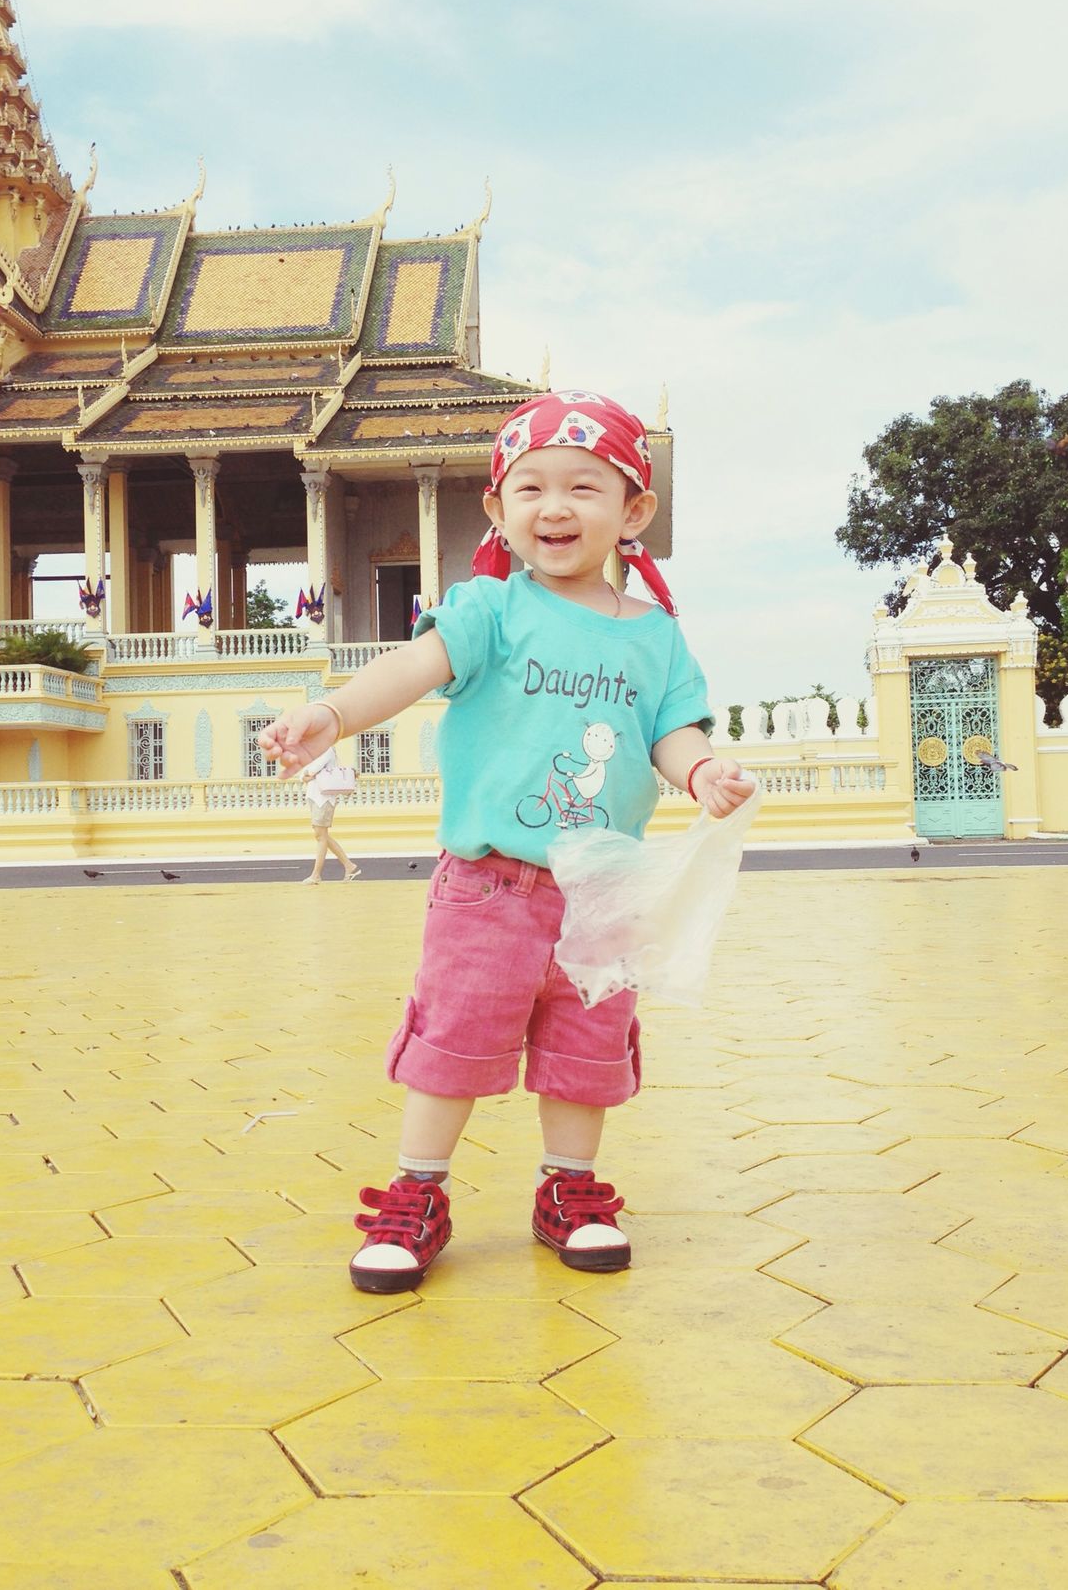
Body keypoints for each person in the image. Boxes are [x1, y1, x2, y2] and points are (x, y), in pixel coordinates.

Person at [260, 391, 753, 1293]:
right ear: (497, 507)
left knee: (586, 1048)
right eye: (529, 487)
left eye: (583, 487)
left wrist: (702, 773)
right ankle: (418, 1193)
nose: (554, 507)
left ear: (632, 510)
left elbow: (672, 730)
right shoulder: (488, 609)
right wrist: (331, 713)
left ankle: (568, 1190)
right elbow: (412, 668)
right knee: (454, 1039)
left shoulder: (657, 637)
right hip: (488, 885)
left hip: (602, 889)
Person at [298, 748, 361, 884]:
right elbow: (302, 774)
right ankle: (349, 866)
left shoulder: (326, 750)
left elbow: (311, 770)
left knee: (320, 835)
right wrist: (306, 775)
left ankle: (316, 875)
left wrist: (309, 775)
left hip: (324, 799)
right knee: (321, 835)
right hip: (314, 796)